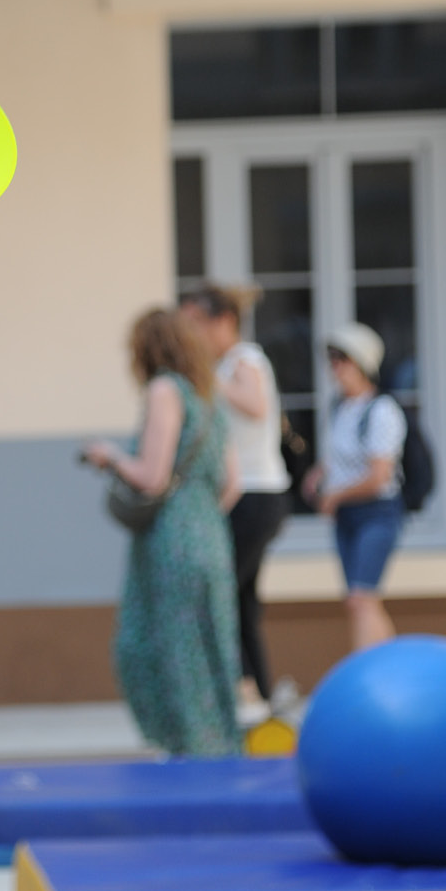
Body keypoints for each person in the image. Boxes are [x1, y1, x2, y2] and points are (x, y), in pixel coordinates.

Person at [82, 309, 240, 756]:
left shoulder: (164, 389)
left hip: (170, 539)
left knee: (150, 648)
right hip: (211, 534)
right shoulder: (207, 396)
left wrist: (109, 457)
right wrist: (199, 515)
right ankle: (218, 752)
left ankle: (184, 751)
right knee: (209, 653)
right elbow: (233, 482)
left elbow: (152, 476)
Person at [179, 284, 290, 717]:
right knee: (240, 601)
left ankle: (246, 695)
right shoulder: (227, 364)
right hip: (248, 495)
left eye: (195, 324)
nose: (190, 334)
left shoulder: (245, 360)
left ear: (222, 321)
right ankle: (257, 695)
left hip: (254, 495)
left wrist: (207, 379)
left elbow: (256, 407)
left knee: (220, 597)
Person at [304, 322, 405, 653]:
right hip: (346, 514)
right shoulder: (339, 408)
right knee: (360, 599)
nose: (335, 368)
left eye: (342, 359)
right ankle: (386, 666)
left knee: (362, 597)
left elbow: (379, 476)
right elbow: (340, 459)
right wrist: (320, 476)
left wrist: (336, 494)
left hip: (376, 512)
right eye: (332, 359)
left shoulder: (382, 411)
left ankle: (366, 669)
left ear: (362, 364)